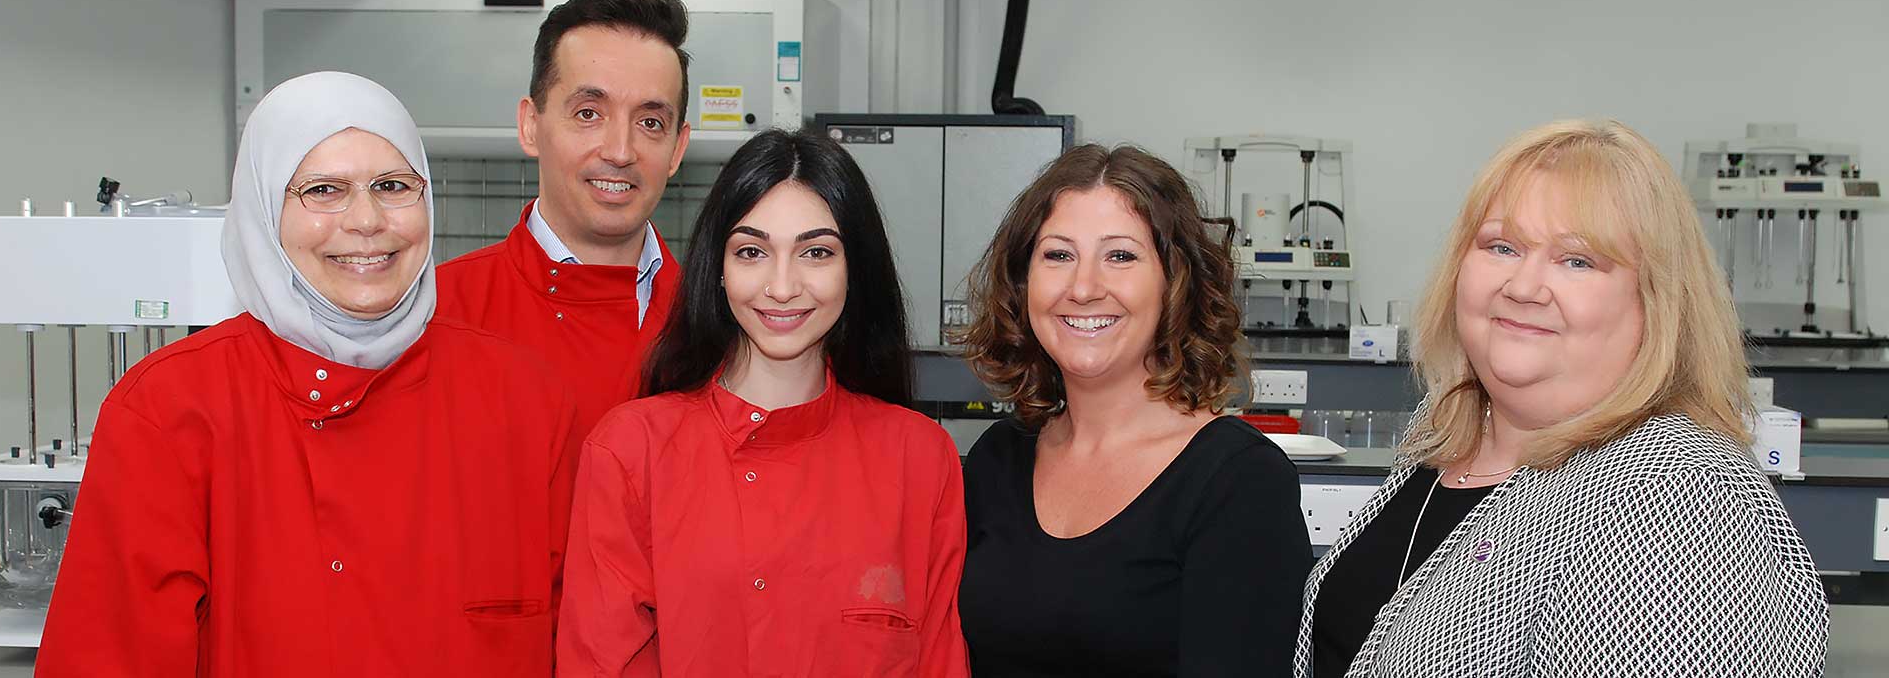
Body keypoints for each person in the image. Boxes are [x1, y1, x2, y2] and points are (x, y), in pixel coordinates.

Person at [36, 72, 580, 676]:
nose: (368, 220)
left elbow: (574, 641)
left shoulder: (524, 397)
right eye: (323, 190)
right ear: (265, 213)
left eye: (394, 185)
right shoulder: (170, 411)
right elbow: (109, 657)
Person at [1295, 119, 1828, 677]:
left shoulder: (1679, 503)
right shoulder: (1448, 432)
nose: (1523, 287)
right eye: (1502, 246)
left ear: (1656, 301)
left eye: (1578, 260)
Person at [556, 129, 968, 677]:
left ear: (855, 271)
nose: (781, 286)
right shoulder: (632, 450)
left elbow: (938, 661)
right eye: (752, 251)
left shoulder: (920, 458)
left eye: (816, 252)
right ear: (718, 270)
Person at [956, 144, 1311, 676]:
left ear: (1176, 283)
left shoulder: (1239, 482)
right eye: (1058, 255)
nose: (1083, 288)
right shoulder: (999, 459)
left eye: (1120, 256)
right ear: (1023, 282)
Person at [437, 0, 692, 426]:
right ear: (530, 126)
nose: (619, 150)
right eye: (588, 113)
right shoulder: (436, 314)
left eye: (651, 122)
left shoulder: (718, 323)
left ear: (677, 149)